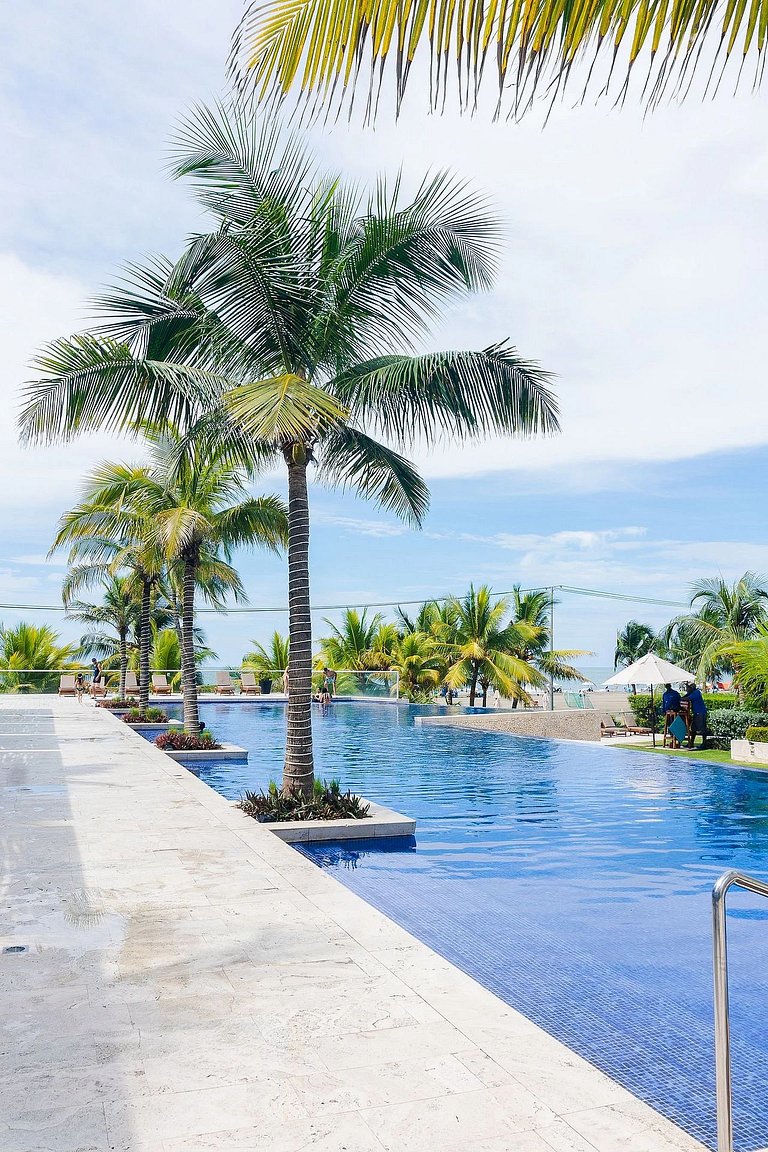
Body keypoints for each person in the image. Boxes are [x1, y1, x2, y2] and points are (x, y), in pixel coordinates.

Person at [683, 682, 708, 749]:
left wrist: (679, 699)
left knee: (702, 729)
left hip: (700, 713)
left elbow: (687, 698)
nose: (687, 689)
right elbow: (685, 696)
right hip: (696, 713)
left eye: (688, 688)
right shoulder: (692, 692)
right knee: (693, 729)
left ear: (692, 688)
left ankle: (704, 744)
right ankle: (691, 743)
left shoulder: (696, 693)